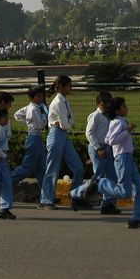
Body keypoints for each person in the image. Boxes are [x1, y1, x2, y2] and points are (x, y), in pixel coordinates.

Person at [87, 97, 140, 229]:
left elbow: (107, 138)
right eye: (124, 106)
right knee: (125, 192)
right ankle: (100, 184)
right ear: (117, 110)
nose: (126, 108)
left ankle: (137, 218)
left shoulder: (121, 122)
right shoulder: (118, 123)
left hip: (128, 158)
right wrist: (127, 131)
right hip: (122, 159)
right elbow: (111, 140)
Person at [39, 75, 87, 210]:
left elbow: (70, 122)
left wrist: (67, 123)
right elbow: (67, 123)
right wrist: (67, 123)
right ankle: (46, 200)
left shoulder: (64, 101)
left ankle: (75, 196)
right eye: (69, 85)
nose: (71, 88)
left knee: (78, 167)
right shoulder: (58, 102)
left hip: (63, 135)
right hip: (56, 135)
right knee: (52, 168)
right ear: (62, 87)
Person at [85, 90, 121, 215]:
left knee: (111, 176)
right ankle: (79, 195)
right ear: (101, 103)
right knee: (99, 176)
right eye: (108, 103)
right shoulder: (95, 116)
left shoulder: (107, 116)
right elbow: (89, 133)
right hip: (99, 147)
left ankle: (108, 203)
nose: (110, 105)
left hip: (107, 148)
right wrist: (98, 149)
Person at [11, 85, 49, 186]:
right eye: (39, 96)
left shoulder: (31, 107)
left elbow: (17, 115)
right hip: (34, 138)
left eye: (42, 95)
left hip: (36, 138)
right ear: (33, 97)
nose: (42, 98)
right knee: (28, 167)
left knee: (42, 168)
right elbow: (40, 125)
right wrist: (45, 116)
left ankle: (45, 195)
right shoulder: (34, 109)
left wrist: (28, 122)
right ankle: (7, 181)